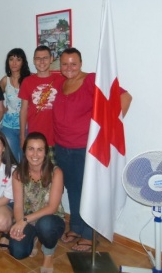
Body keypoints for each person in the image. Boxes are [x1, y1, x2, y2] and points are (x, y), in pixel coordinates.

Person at [53, 48, 132, 252]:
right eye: (65, 64)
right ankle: (77, 227)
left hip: (85, 150)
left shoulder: (92, 80)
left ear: (81, 63)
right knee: (73, 189)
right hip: (62, 147)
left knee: (90, 191)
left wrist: (107, 130)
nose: (69, 68)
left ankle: (90, 234)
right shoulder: (61, 83)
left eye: (73, 63)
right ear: (60, 65)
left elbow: (125, 97)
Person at [9, 132, 65, 273]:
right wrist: (19, 223)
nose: (35, 154)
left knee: (45, 225)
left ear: (46, 152)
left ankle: (48, 254)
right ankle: (34, 237)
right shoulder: (17, 173)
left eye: (40, 149)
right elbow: (18, 205)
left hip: (51, 220)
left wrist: (24, 221)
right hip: (29, 220)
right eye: (31, 149)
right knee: (18, 251)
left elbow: (52, 208)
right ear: (25, 151)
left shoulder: (56, 173)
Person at [18, 45, 63, 162]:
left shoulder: (61, 80)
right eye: (38, 58)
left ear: (51, 59)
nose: (42, 61)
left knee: (54, 174)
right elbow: (23, 110)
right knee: (33, 175)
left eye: (45, 58)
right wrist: (22, 136)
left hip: (56, 139)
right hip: (34, 138)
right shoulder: (27, 82)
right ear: (33, 60)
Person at [0, 48, 31, 161]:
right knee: (12, 160)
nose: (14, 63)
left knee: (26, 160)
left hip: (27, 127)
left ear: (23, 62)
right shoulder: (5, 80)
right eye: (11, 59)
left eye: (18, 59)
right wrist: (1, 110)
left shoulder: (30, 79)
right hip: (8, 127)